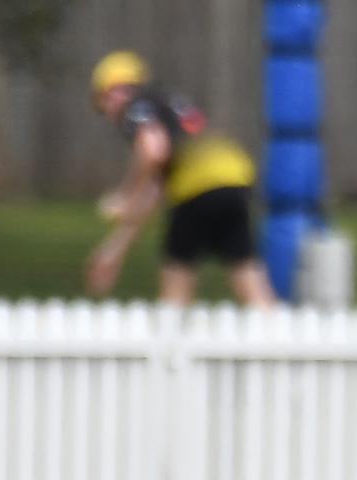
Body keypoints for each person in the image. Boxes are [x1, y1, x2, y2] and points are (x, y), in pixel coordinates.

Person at [86, 50, 275, 307]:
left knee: (176, 275)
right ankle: (276, 337)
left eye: (103, 102)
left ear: (114, 91)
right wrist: (115, 250)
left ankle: (170, 341)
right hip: (234, 181)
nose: (107, 112)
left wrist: (125, 195)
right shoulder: (167, 103)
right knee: (246, 269)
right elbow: (154, 190)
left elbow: (153, 151)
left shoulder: (136, 107)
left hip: (194, 189)